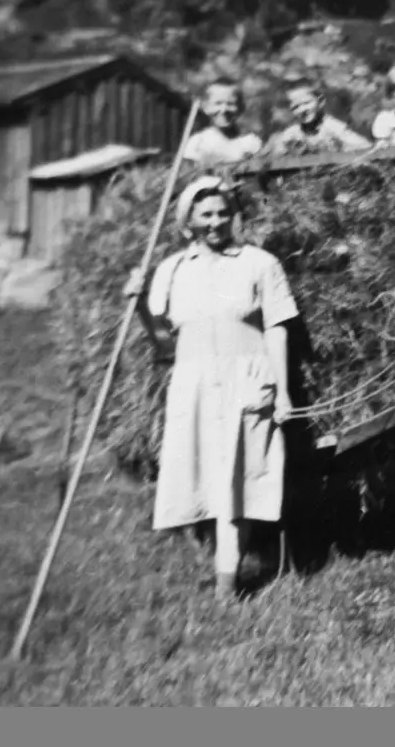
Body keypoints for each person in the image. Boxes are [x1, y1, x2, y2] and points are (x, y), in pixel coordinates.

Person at [122, 175, 298, 601]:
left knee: (240, 476)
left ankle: (226, 582)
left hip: (247, 378)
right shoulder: (171, 270)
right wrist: (141, 302)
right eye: (206, 214)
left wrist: (284, 390)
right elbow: (163, 341)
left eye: (223, 212)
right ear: (189, 223)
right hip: (195, 381)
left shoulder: (259, 263)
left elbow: (277, 329)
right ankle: (223, 562)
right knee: (201, 476)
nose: (216, 221)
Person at [264, 79, 372, 156]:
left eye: (307, 103)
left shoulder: (333, 127)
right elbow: (276, 156)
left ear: (320, 102)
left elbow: (364, 146)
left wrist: (343, 148)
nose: (303, 110)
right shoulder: (293, 132)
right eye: (296, 107)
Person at [183, 78, 264, 167]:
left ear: (241, 108)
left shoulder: (251, 141)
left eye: (230, 104)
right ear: (205, 107)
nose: (224, 109)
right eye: (218, 103)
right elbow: (188, 175)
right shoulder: (198, 142)